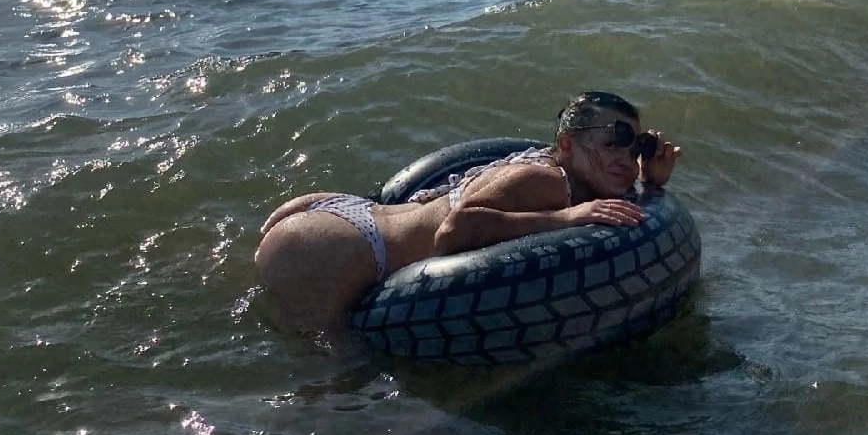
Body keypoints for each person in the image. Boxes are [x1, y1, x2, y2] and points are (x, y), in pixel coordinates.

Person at [254, 90, 680, 336]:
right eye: (614, 140)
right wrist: (567, 219)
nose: (626, 156)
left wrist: (649, 180)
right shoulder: (546, 181)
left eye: (636, 147)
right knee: (328, 389)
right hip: (339, 248)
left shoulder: (560, 172)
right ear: (567, 144)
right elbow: (454, 232)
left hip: (346, 222)